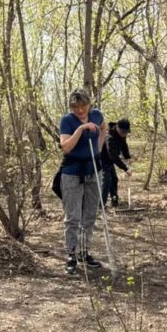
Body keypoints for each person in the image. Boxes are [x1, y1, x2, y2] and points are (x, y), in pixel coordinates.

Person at [58, 89, 107, 275]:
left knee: (90, 214)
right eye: (76, 107)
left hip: (93, 170)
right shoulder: (67, 121)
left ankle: (84, 252)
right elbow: (66, 146)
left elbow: (104, 128)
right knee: (73, 217)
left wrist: (98, 147)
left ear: (89, 104)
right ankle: (71, 254)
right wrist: (81, 129)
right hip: (72, 172)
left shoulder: (96, 115)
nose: (80, 110)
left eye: (83, 106)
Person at [101, 118, 132, 207]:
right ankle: (101, 204)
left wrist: (127, 156)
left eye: (126, 132)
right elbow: (113, 156)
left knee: (114, 179)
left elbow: (124, 145)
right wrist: (125, 168)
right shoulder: (109, 136)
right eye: (123, 132)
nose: (124, 134)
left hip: (110, 160)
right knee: (107, 180)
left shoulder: (122, 134)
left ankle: (114, 201)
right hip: (102, 159)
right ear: (117, 127)